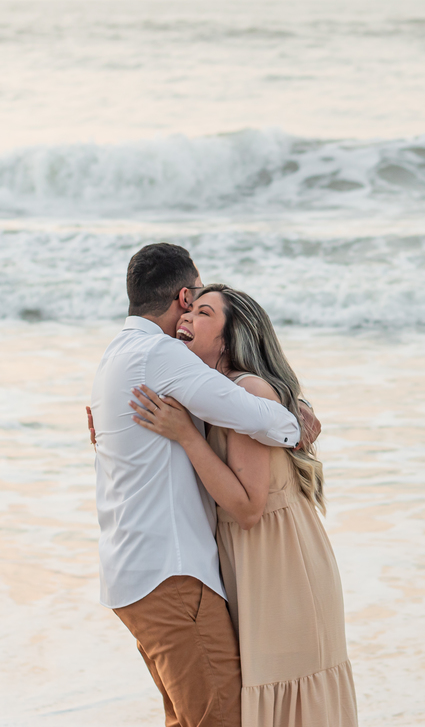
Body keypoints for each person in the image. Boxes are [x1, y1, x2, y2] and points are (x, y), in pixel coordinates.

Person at [90, 243, 312, 727]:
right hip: (170, 575)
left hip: (133, 572)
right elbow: (255, 417)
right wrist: (297, 419)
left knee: (188, 718)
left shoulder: (116, 356)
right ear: (183, 297)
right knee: (219, 719)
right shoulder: (159, 354)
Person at [128, 283, 358, 727]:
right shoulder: (211, 396)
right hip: (255, 565)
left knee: (285, 706)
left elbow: (249, 509)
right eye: (189, 310)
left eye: (204, 313)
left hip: (280, 569)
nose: (187, 319)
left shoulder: (245, 390)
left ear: (230, 340)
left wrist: (187, 435)